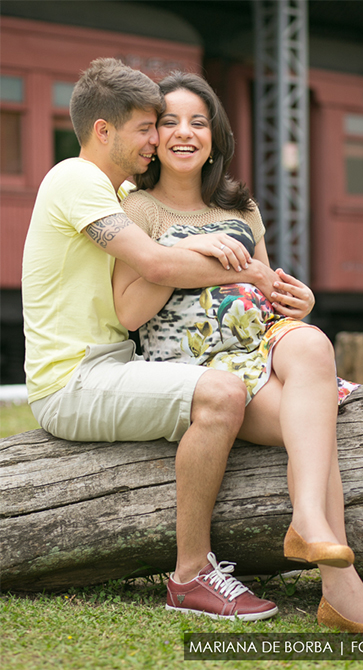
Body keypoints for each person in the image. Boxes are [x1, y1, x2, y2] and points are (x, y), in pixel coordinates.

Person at [114, 71, 363, 637]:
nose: (185, 133)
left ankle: (306, 520)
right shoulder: (138, 210)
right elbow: (129, 313)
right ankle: (342, 592)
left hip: (263, 343)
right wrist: (188, 248)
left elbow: (265, 289)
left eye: (198, 122)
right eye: (170, 122)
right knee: (316, 423)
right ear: (152, 137)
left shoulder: (240, 205)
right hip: (197, 368)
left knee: (311, 338)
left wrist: (295, 298)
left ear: (215, 136)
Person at [22, 58, 280, 622]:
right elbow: (158, 266)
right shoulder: (75, 179)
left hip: (114, 365)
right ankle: (190, 577)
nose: (157, 138)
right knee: (220, 394)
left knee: (231, 385)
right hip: (72, 380)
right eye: (147, 127)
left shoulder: (116, 189)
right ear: (103, 130)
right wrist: (246, 269)